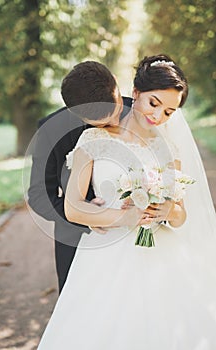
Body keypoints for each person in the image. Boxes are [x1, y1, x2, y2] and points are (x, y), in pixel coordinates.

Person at [37, 54, 216, 349]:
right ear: (136, 94)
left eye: (169, 112)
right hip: (108, 257)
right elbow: (72, 206)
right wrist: (123, 217)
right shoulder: (92, 138)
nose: (158, 116)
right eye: (154, 104)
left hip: (164, 255)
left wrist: (170, 210)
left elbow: (181, 213)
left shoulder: (169, 146)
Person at [28, 61, 133, 294]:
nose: (115, 123)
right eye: (104, 123)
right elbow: (38, 195)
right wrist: (83, 214)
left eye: (115, 111)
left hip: (135, 241)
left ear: (115, 82)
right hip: (76, 241)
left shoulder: (141, 111)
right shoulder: (50, 130)